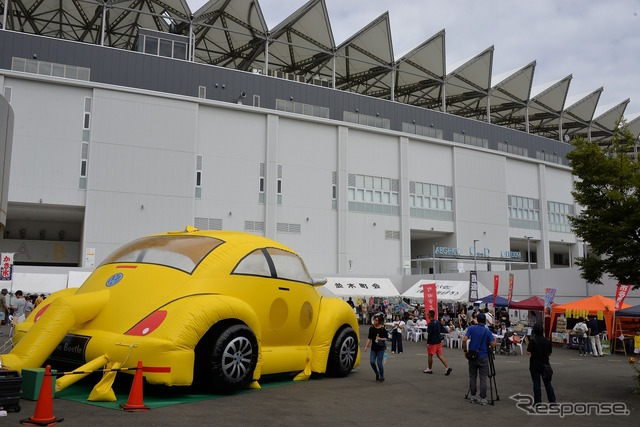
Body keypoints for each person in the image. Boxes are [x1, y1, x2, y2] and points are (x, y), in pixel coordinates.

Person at [462, 312, 496, 405]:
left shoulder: (471, 328)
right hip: (483, 356)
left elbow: (464, 340)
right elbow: (492, 345)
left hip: (472, 355)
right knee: (483, 378)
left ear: (477, 319)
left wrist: (465, 351)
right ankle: (483, 398)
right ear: (485, 321)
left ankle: (473, 396)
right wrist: (495, 339)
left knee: (472, 376)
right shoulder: (487, 331)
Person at [526, 323, 556, 405]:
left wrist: (527, 343)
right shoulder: (547, 341)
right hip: (545, 364)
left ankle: (538, 402)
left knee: (536, 384)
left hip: (534, 365)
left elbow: (528, 352)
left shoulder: (533, 340)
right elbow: (549, 353)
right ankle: (552, 402)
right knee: (548, 384)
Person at [424, 310, 453, 375]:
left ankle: (429, 369)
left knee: (430, 355)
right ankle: (447, 367)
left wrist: (428, 343)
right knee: (439, 355)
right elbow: (442, 329)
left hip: (432, 342)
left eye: (428, 314)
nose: (427, 315)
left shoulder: (430, 324)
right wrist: (447, 331)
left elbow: (430, 334)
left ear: (429, 315)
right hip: (438, 341)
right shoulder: (437, 322)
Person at [363, 312, 388, 383]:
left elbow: (386, 338)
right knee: (372, 362)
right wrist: (366, 346)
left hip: (381, 348)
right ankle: (377, 373)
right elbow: (369, 338)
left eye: (376, 320)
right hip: (373, 348)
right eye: (374, 320)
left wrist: (381, 338)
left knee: (379, 363)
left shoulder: (382, 329)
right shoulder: (371, 328)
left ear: (379, 321)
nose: (375, 321)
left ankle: (382, 376)